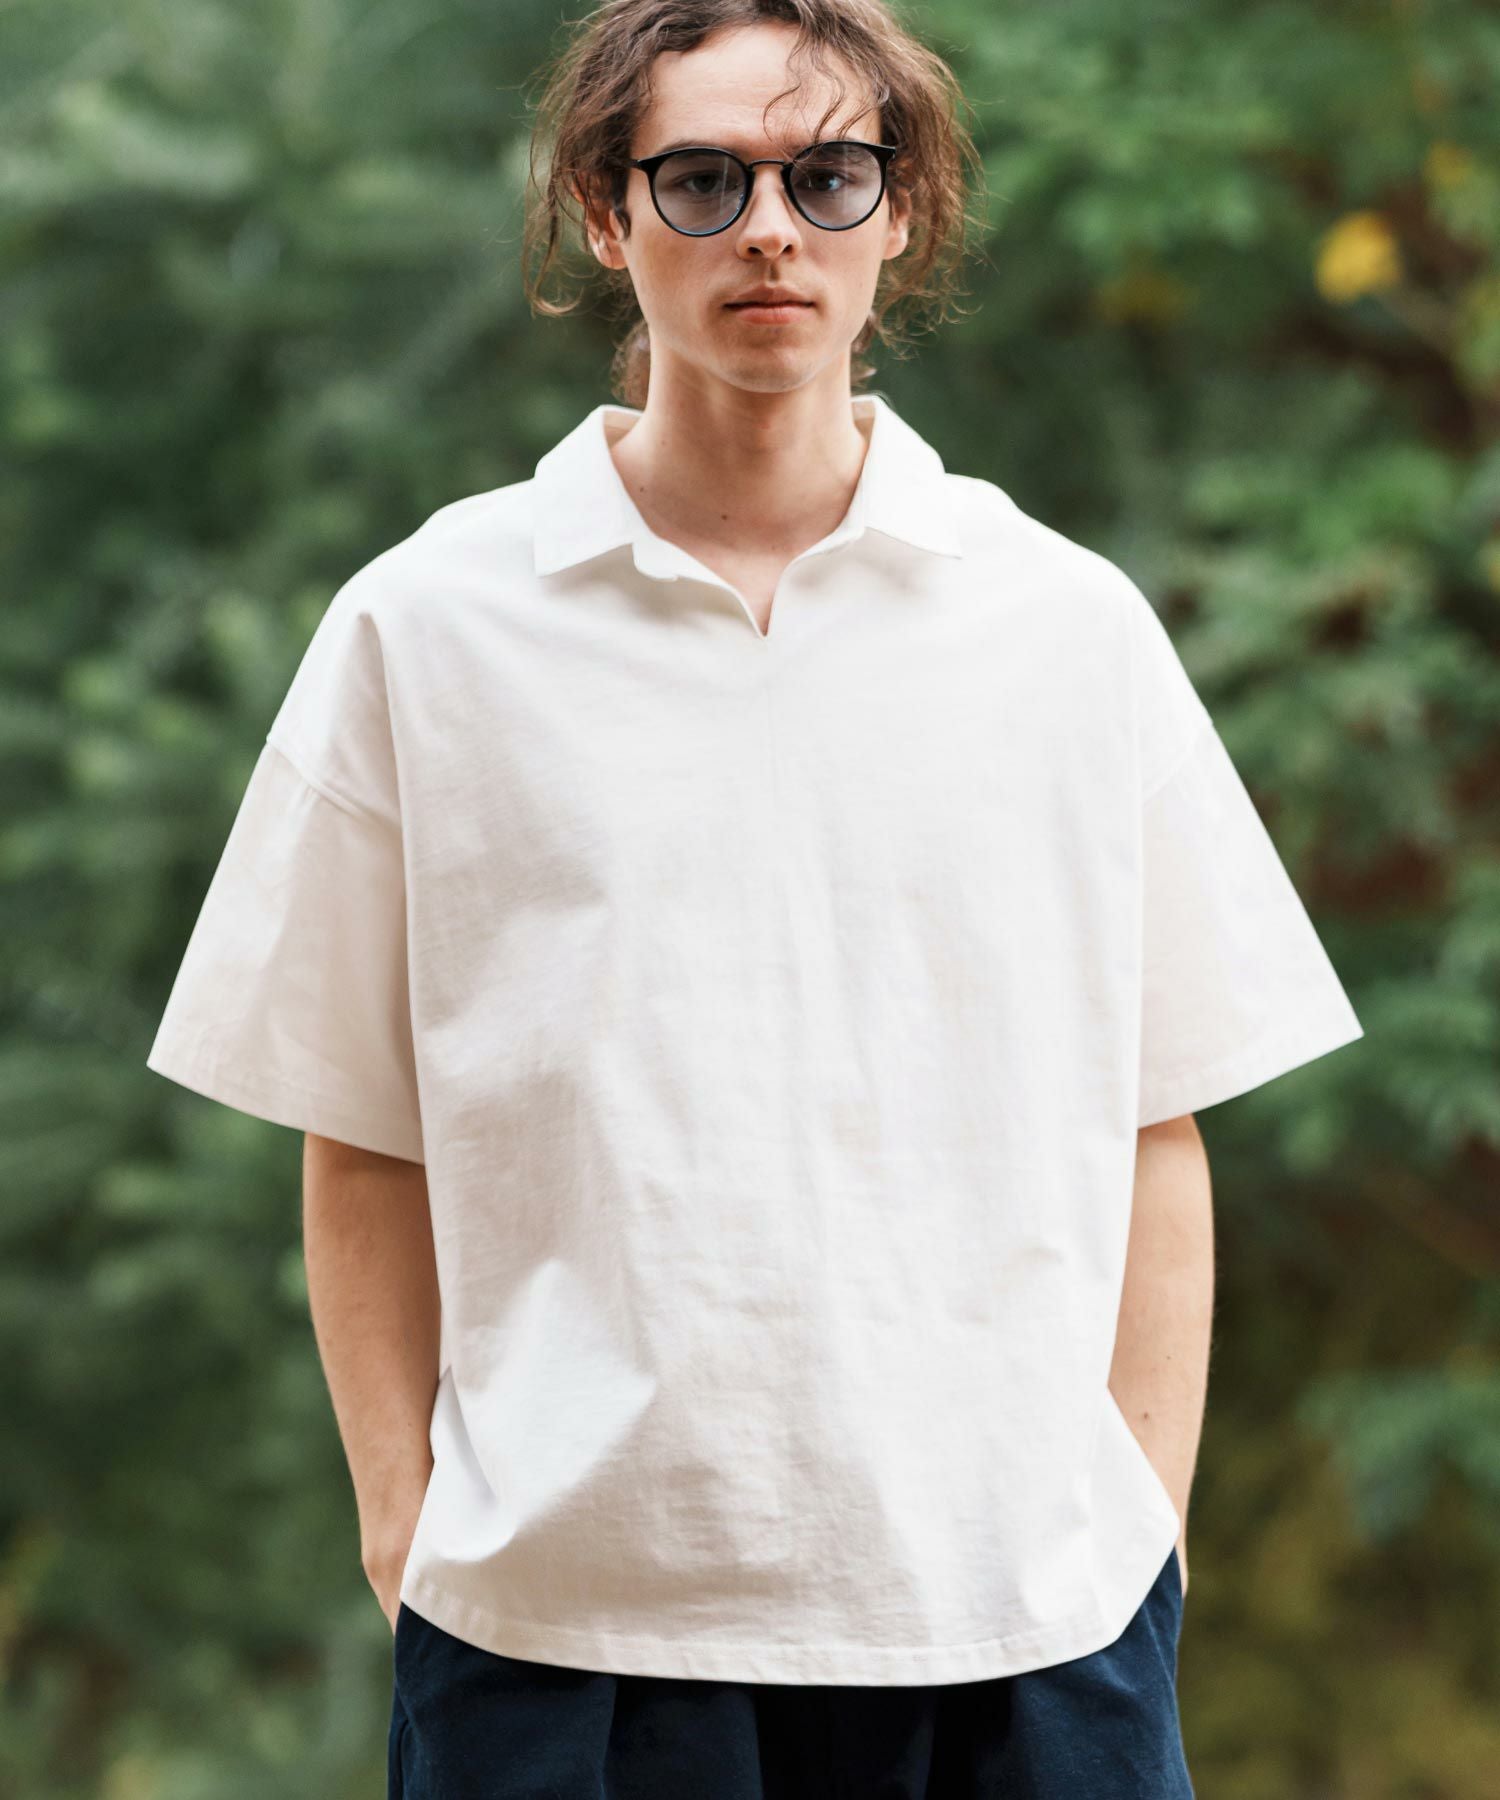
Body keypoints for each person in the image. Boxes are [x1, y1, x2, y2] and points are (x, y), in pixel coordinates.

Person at [144, 3, 1365, 1796]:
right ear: (604, 212)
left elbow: (1155, 1118)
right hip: (560, 1637)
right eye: (704, 180)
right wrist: (408, 1536)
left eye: (829, 175)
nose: (771, 229)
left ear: (901, 211)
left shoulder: (1065, 628)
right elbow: (362, 1137)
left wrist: (1144, 1529)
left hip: (1028, 1630)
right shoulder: (430, 624)